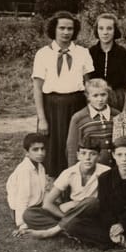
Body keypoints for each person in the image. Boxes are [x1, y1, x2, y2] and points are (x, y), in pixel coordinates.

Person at [65, 137, 126, 251]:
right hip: (109, 222)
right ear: (113, 155)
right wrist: (113, 227)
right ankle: (125, 243)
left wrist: (122, 225)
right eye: (120, 155)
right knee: (73, 225)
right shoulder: (105, 178)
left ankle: (110, 241)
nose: (124, 159)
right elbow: (104, 207)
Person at [31, 11, 94, 178]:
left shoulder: (83, 53)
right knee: (54, 148)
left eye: (70, 28)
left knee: (75, 145)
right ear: (54, 29)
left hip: (77, 104)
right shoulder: (43, 54)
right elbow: (37, 88)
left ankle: (76, 182)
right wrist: (42, 118)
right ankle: (54, 185)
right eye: (62, 28)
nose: (66, 32)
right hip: (52, 105)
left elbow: (88, 84)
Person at [21, 137, 110, 238]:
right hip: (73, 213)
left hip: (92, 214)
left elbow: (107, 204)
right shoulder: (69, 172)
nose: (87, 158)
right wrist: (67, 219)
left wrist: (77, 204)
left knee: (92, 202)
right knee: (29, 214)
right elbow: (47, 204)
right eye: (83, 153)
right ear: (78, 155)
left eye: (92, 154)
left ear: (99, 156)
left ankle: (52, 231)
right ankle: (70, 230)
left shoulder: (106, 172)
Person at [66, 78, 119, 168]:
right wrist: (73, 170)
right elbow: (72, 148)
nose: (100, 99)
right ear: (88, 96)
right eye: (95, 96)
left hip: (114, 168)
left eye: (103, 95)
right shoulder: (78, 118)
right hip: (92, 169)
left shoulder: (116, 115)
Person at [89, 13, 126, 111]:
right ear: (96, 30)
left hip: (118, 100)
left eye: (109, 28)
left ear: (115, 31)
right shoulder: (90, 53)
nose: (105, 32)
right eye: (101, 28)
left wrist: (125, 110)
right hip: (96, 99)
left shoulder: (124, 54)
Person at [6, 133, 47, 236]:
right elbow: (22, 198)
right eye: (35, 149)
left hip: (36, 206)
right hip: (24, 211)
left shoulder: (41, 167)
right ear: (26, 152)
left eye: (43, 149)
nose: (40, 153)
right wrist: (22, 224)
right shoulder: (24, 170)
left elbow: (43, 192)